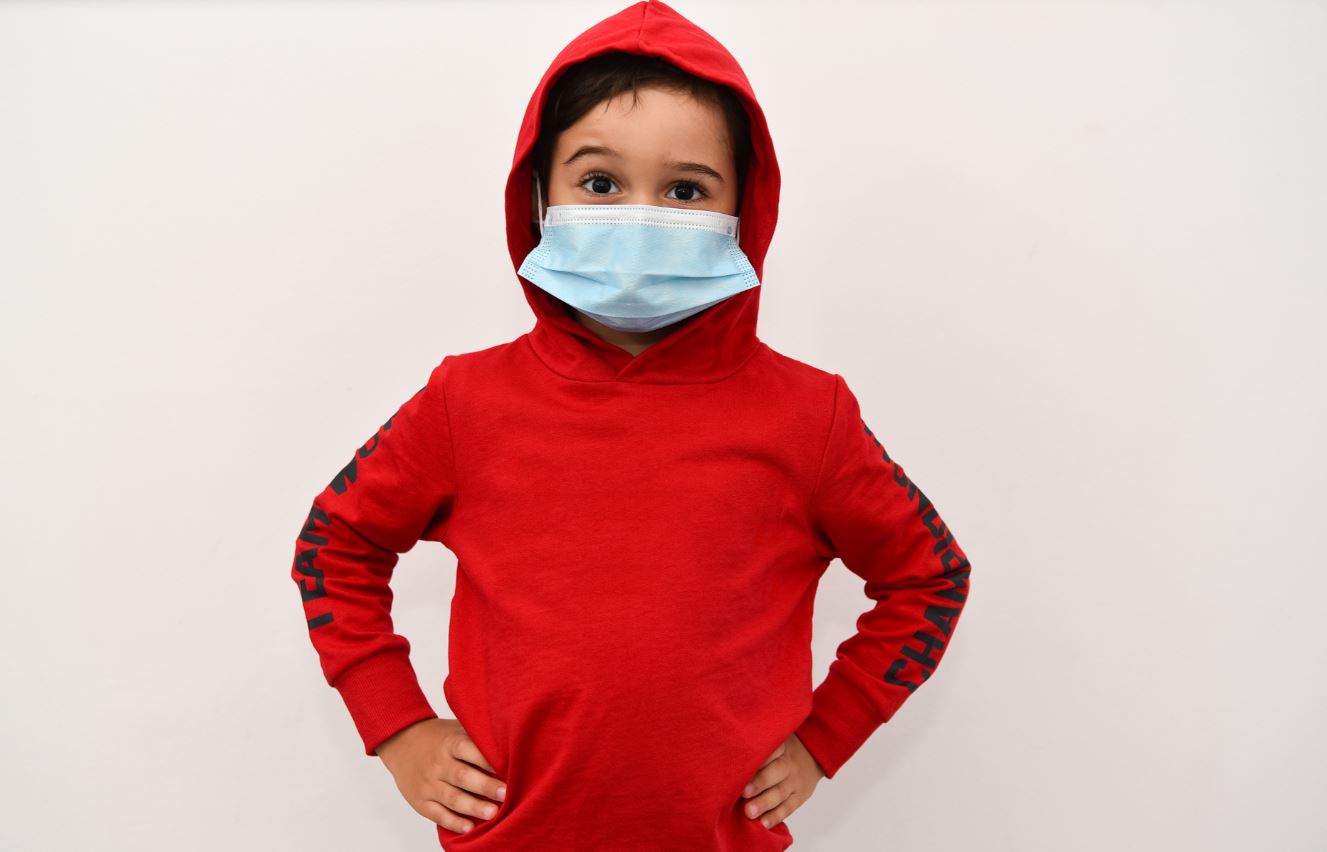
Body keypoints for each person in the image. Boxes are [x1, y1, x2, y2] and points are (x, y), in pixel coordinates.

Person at [289, 2, 973, 849]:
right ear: (538, 195)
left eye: (686, 190)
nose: (641, 214)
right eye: (600, 183)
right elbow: (335, 542)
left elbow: (930, 576)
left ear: (744, 209)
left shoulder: (810, 416)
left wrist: (823, 739)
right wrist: (396, 725)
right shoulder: (465, 401)